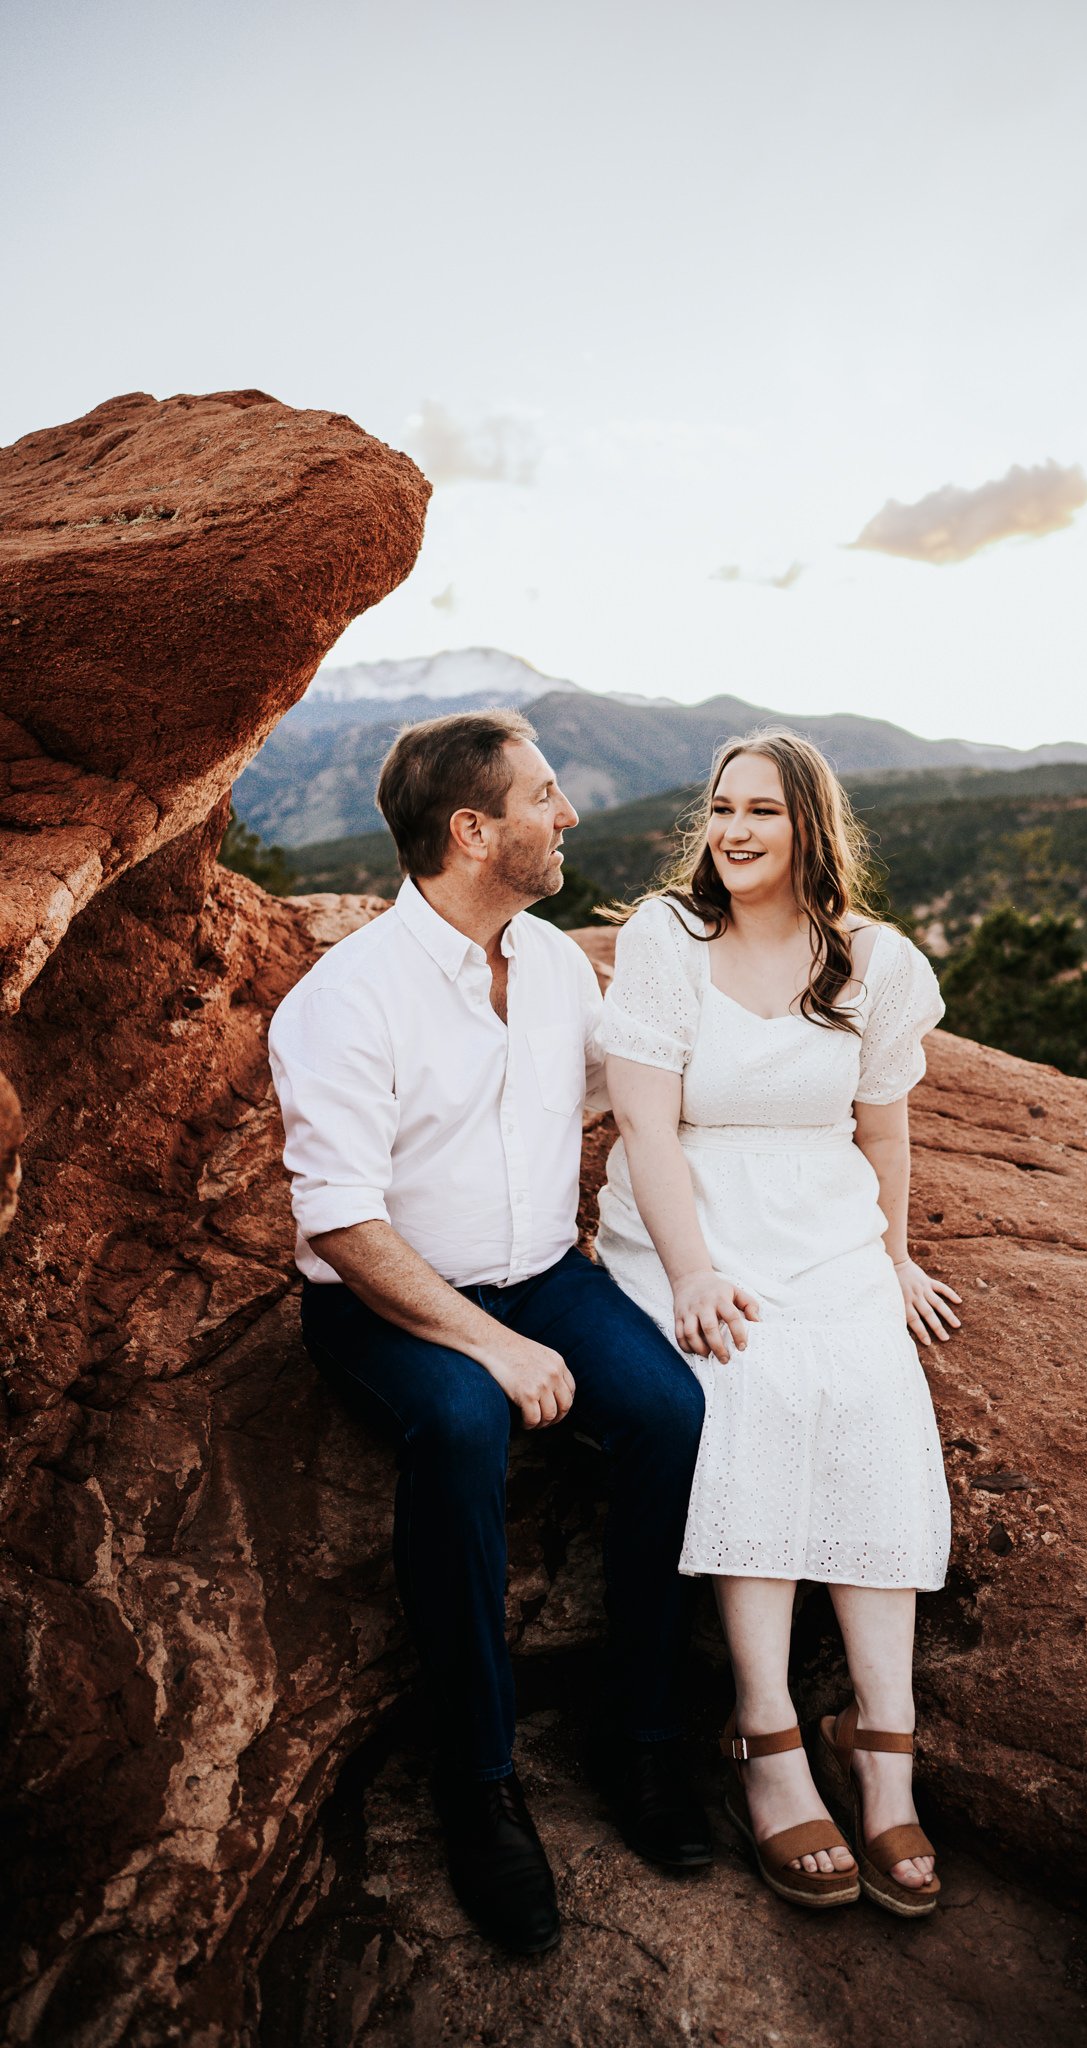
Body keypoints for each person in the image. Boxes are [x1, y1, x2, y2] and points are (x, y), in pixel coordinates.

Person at [267, 709, 710, 1958]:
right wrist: (492, 1346)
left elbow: (622, 1091)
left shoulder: (557, 964)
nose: (568, 813)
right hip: (384, 1300)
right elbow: (344, 1222)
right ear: (473, 830)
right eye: (546, 794)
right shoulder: (345, 998)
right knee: (461, 1425)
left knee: (671, 1411)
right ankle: (480, 1780)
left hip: (544, 1274)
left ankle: (638, 1737)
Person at [594, 728, 959, 1917]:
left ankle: (884, 1740)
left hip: (824, 1213)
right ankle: (768, 1734)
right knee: (748, 1385)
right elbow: (645, 1126)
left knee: (871, 1391)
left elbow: (883, 1128)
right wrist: (691, 1272)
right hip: (689, 1212)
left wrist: (894, 1256)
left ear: (812, 826)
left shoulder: (872, 959)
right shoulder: (666, 938)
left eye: (762, 810)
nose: (735, 830)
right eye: (719, 807)